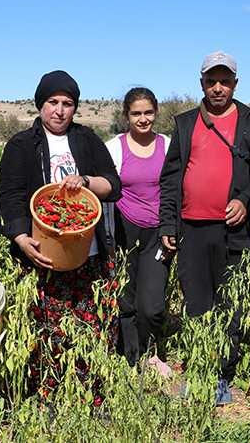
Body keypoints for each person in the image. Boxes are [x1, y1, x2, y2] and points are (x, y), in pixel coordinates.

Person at [0, 70, 122, 398]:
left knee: (93, 328)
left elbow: (113, 184)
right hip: (42, 253)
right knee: (46, 331)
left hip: (89, 254)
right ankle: (48, 397)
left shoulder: (86, 140)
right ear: (40, 104)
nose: (59, 110)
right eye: (52, 102)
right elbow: (9, 197)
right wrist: (21, 238)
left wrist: (86, 181)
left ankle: (92, 397)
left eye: (68, 103)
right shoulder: (22, 145)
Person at [159, 51, 250, 405]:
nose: (218, 88)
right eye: (211, 81)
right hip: (191, 227)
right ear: (201, 83)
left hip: (233, 228)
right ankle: (202, 366)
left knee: (230, 302)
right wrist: (168, 223)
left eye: (225, 81)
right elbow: (171, 178)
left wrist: (245, 199)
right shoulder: (186, 122)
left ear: (235, 83)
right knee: (197, 299)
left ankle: (222, 372)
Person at [105, 87, 172, 375]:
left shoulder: (167, 145)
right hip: (125, 230)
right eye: (136, 113)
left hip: (158, 231)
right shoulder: (114, 148)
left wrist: (173, 228)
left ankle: (152, 350)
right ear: (126, 116)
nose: (143, 119)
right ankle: (134, 357)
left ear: (155, 112)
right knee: (126, 297)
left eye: (148, 112)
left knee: (153, 303)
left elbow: (174, 189)